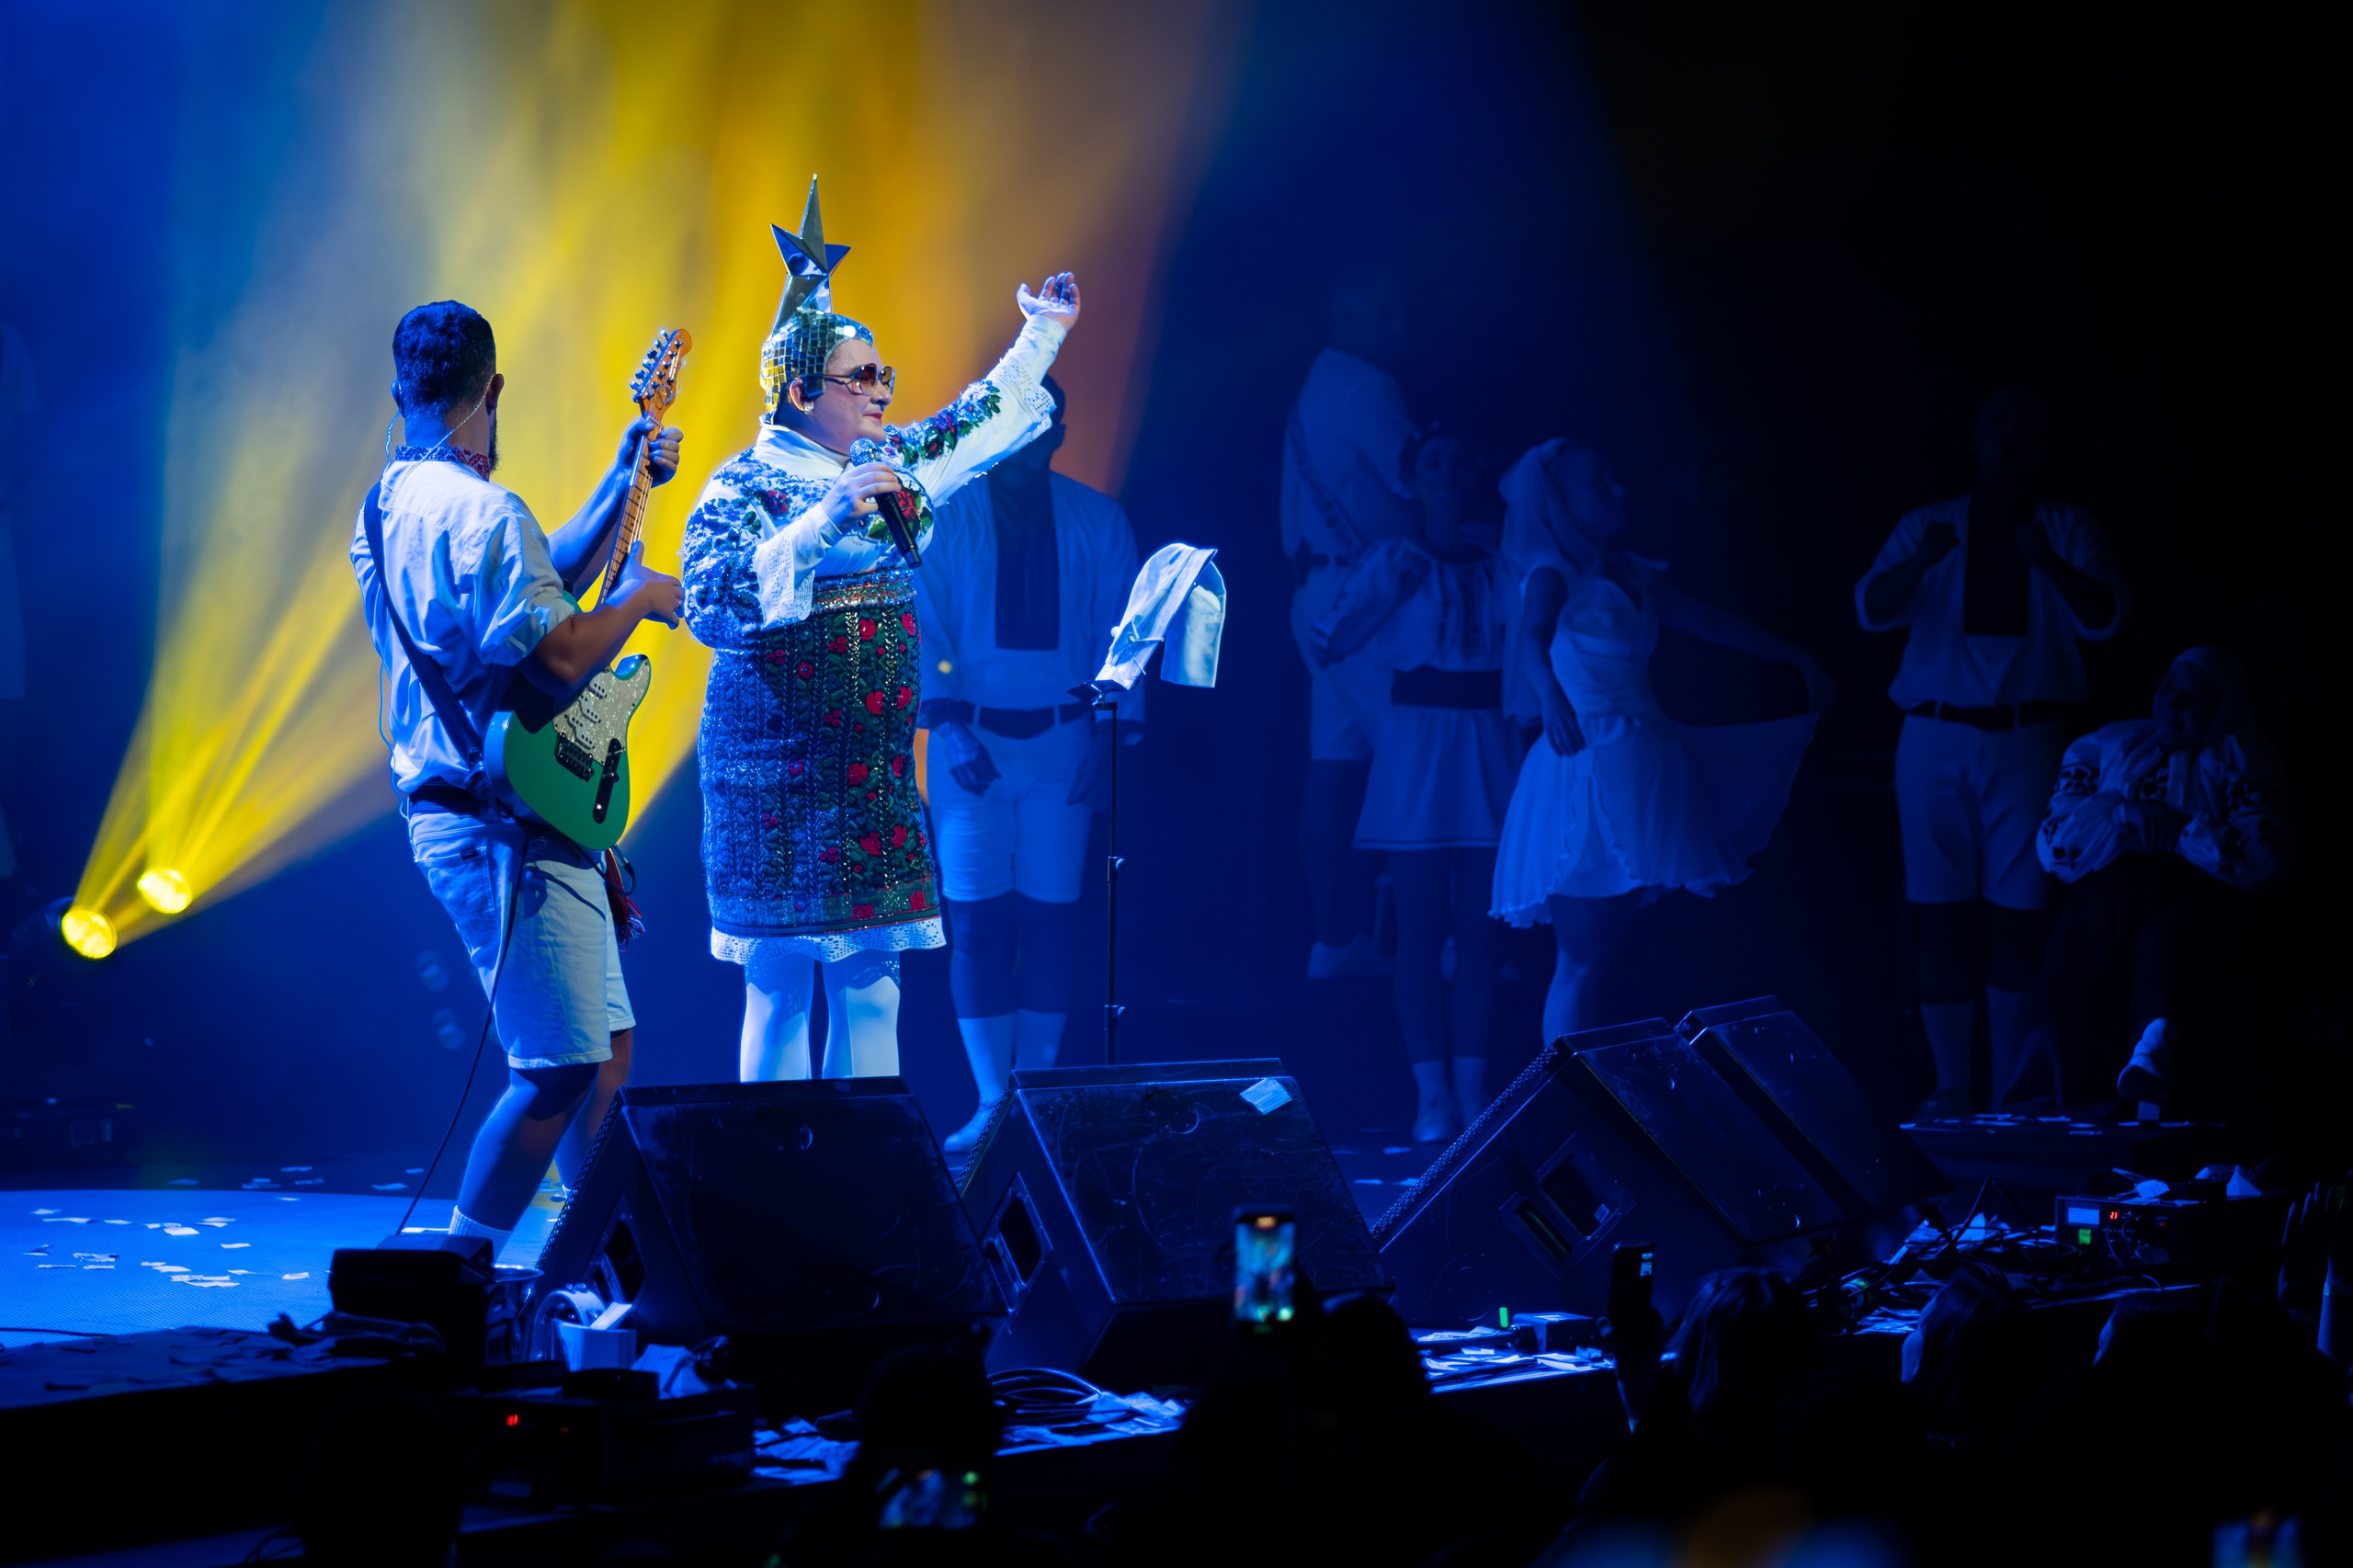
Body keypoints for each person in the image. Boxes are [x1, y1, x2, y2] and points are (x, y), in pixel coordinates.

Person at [681, 181, 1080, 1085]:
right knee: (780, 981)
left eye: (881, 374)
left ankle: (860, 1187)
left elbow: (975, 422)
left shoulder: (887, 464)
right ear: (795, 388)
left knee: (874, 976)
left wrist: (1042, 332)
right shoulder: (741, 487)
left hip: (868, 768)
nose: (879, 390)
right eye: (859, 376)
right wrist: (820, 520)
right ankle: (775, 1182)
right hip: (771, 769)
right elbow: (710, 601)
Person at [352, 300, 685, 1253]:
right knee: (558, 1063)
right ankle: (458, 1268)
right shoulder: (485, 511)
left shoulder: (382, 508)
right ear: (492, 388)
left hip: (481, 807)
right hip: (500, 821)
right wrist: (641, 600)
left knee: (604, 1048)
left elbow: (536, 585)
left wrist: (625, 479)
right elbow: (562, 650)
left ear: (399, 391)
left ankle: (592, 1251)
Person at [1491, 439, 1833, 1046]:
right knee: (1581, 964)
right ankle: (1571, 1109)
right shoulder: (1552, 571)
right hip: (1586, 766)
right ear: (1563, 502)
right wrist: (1550, 697)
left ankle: (1602, 1097)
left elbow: (1712, 623)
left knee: (1605, 962)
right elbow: (1532, 638)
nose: (1620, 491)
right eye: (1600, 483)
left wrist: (1796, 657)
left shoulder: (1630, 573)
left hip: (1645, 761)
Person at [1855, 390, 2128, 1118]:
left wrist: (2049, 565)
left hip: (2031, 738)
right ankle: (1951, 1083)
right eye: (1998, 423)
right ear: (1974, 440)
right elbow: (1871, 609)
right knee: (1938, 910)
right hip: (1935, 734)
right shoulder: (1929, 525)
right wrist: (1922, 563)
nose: (2011, 437)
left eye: (2026, 426)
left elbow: (2106, 620)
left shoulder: (2068, 527)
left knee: (2021, 914)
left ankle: (2012, 1089)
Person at [914, 375, 1140, 1151]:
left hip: (1065, 739)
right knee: (975, 922)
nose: (1023, 435)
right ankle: (988, 1100)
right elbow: (925, 627)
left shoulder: (1096, 519)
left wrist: (1111, 740)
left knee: (1051, 918)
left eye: (1038, 423)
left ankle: (1033, 1092)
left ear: (1058, 433)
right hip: (969, 741)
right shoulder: (945, 516)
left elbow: (1126, 634)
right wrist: (945, 726)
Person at [1313, 430, 1521, 1142]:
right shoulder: (1393, 561)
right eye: (1436, 463)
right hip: (1418, 748)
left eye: (1462, 461)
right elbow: (1333, 644)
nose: (1451, 473)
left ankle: (1474, 1084)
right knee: (1423, 928)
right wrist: (1394, 596)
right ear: (1414, 480)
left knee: (1482, 934)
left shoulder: (1503, 563)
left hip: (1487, 740)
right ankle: (1431, 1093)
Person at [2026, 646, 2290, 1108]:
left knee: (2171, 927)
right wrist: (2123, 814)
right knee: (2078, 938)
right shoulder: (2104, 746)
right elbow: (2054, 846)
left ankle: (2153, 1045)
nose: (2175, 706)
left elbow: (2267, 861)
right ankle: (2047, 1089)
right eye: (2169, 692)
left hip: (2195, 898)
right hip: (2105, 896)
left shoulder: (2243, 756)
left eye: (2193, 699)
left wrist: (2181, 830)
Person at [1282, 268, 1421, 980]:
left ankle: (1335, 942)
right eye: (1385, 313)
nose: (1398, 329)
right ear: (1345, 310)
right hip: (1368, 594)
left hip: (1318, 591)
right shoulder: (1368, 386)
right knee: (1422, 752)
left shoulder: (1316, 383)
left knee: (1333, 764)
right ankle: (1426, 934)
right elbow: (1419, 479)